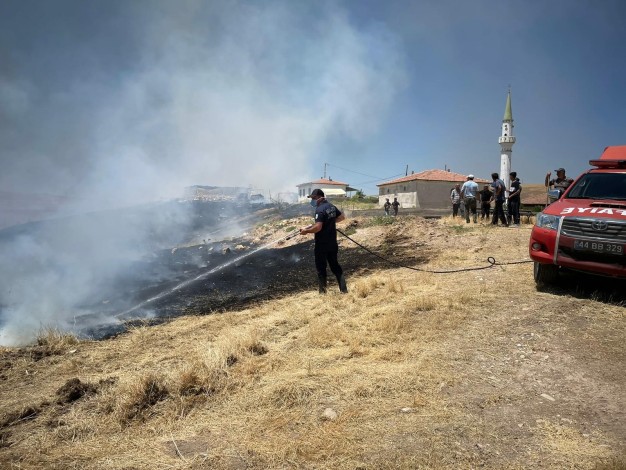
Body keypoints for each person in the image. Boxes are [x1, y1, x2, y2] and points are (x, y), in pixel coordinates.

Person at [300, 189, 348, 294]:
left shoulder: (320, 209)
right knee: (335, 266)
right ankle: (344, 290)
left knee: (321, 268)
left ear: (318, 197)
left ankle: (322, 293)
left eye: (313, 198)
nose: (312, 200)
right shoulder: (331, 206)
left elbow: (317, 227)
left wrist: (306, 231)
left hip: (322, 245)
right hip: (332, 243)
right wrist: (329, 222)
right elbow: (341, 217)